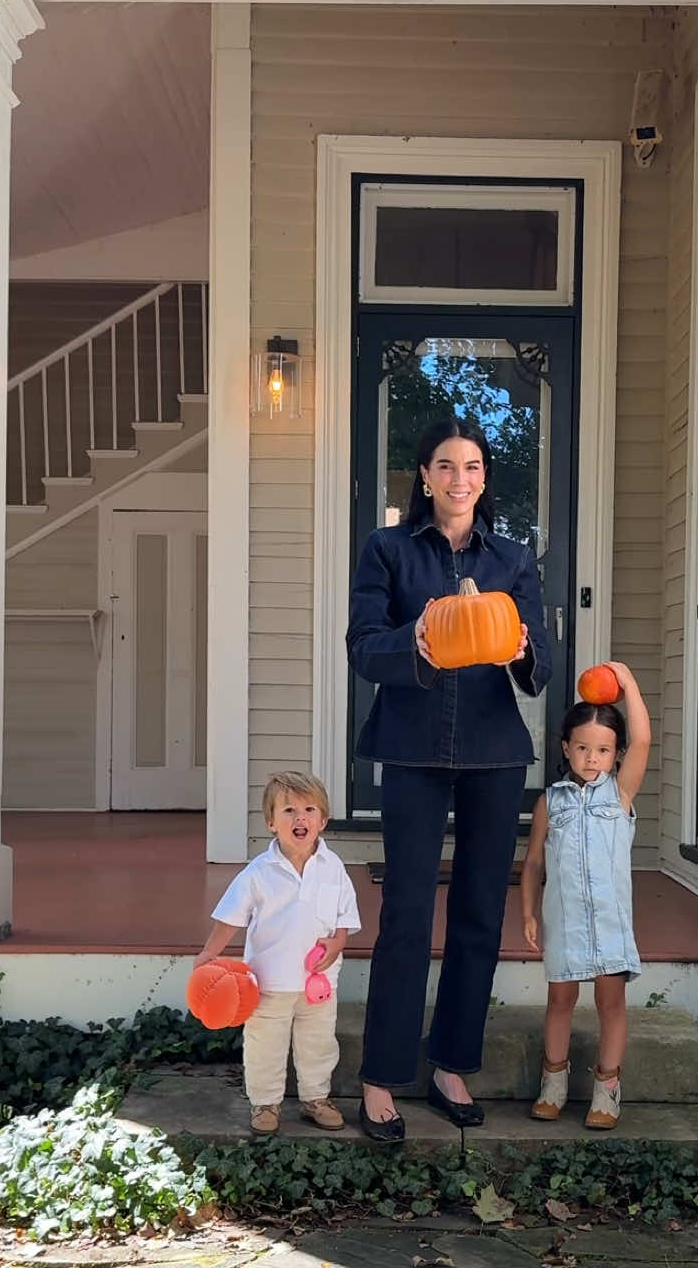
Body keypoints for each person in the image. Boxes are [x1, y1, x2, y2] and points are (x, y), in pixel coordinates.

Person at [347, 417, 551, 1142]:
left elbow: (540, 665)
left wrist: (525, 648)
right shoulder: (388, 550)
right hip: (411, 747)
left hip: (496, 752)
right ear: (425, 476)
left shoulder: (514, 560)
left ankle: (451, 1064)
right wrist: (418, 639)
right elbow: (364, 647)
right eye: (444, 465)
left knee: (476, 915)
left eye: (471, 466)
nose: (458, 478)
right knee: (405, 912)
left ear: (483, 478)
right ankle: (381, 1075)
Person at [519, 662, 652, 1130]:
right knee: (559, 1001)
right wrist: (529, 913)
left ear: (615, 755)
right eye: (582, 748)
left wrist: (629, 685)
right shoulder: (550, 802)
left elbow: (644, 741)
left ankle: (607, 1090)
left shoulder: (620, 797)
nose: (591, 757)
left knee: (610, 1004)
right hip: (567, 921)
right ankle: (553, 1085)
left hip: (611, 923)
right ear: (565, 749)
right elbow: (534, 862)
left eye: (602, 749)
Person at [194, 770, 361, 1135]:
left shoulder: (334, 869)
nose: (299, 817)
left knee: (318, 1042)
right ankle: (265, 1103)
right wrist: (208, 954)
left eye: (308, 809)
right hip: (268, 982)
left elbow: (345, 916)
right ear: (271, 822)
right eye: (288, 810)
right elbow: (230, 918)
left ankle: (315, 1098)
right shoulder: (259, 873)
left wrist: (337, 943)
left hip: (319, 983)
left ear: (323, 820)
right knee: (264, 1045)